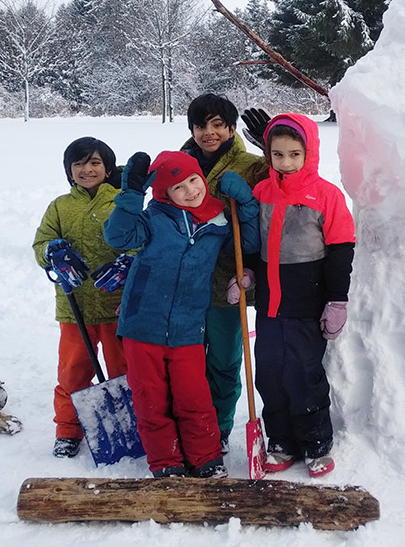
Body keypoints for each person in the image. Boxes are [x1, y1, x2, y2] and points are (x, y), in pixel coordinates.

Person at [103, 150, 259, 478]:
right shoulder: (152, 217)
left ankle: (205, 458)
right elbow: (116, 237)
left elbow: (248, 244)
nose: (190, 190)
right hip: (142, 324)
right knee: (150, 398)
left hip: (188, 327)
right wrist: (131, 195)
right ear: (164, 194)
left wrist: (245, 206)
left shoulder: (219, 218)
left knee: (195, 397)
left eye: (193, 180)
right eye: (178, 187)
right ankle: (165, 461)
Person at [244, 112, 355, 478]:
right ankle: (281, 440)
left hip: (306, 303)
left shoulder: (327, 195)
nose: (286, 162)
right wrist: (245, 272)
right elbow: (251, 242)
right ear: (268, 154)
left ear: (310, 152)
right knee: (270, 375)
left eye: (295, 154)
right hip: (269, 306)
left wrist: (337, 300)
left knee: (303, 375)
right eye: (278, 154)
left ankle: (316, 443)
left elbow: (341, 251)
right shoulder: (261, 193)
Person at [180, 93, 268, 452]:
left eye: (218, 125)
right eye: (201, 125)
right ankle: (190, 424)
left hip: (228, 283)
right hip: (186, 281)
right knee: (186, 360)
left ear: (232, 129)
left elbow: (289, 179)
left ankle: (220, 427)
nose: (209, 132)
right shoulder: (179, 164)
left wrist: (269, 146)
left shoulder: (250, 164)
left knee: (224, 360)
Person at [32, 137, 130, 459]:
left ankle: (130, 422)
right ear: (69, 170)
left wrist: (127, 261)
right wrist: (53, 252)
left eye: (95, 163)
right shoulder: (60, 206)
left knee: (124, 369)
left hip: (116, 305)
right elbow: (41, 243)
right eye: (79, 164)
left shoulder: (121, 202)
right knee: (73, 370)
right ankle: (68, 429)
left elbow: (140, 241)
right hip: (74, 306)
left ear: (108, 167)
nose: (87, 170)